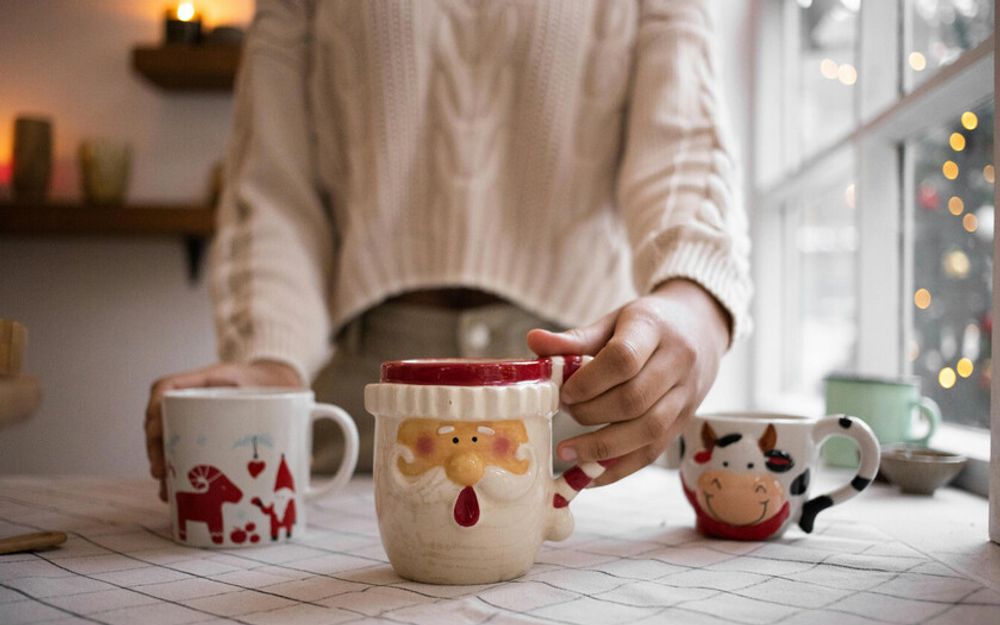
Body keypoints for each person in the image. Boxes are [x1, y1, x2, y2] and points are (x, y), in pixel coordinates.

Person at [145, 0, 752, 502]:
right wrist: (268, 356)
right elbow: (273, 184)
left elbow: (685, 150)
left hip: (578, 399)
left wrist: (694, 302)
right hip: (366, 410)